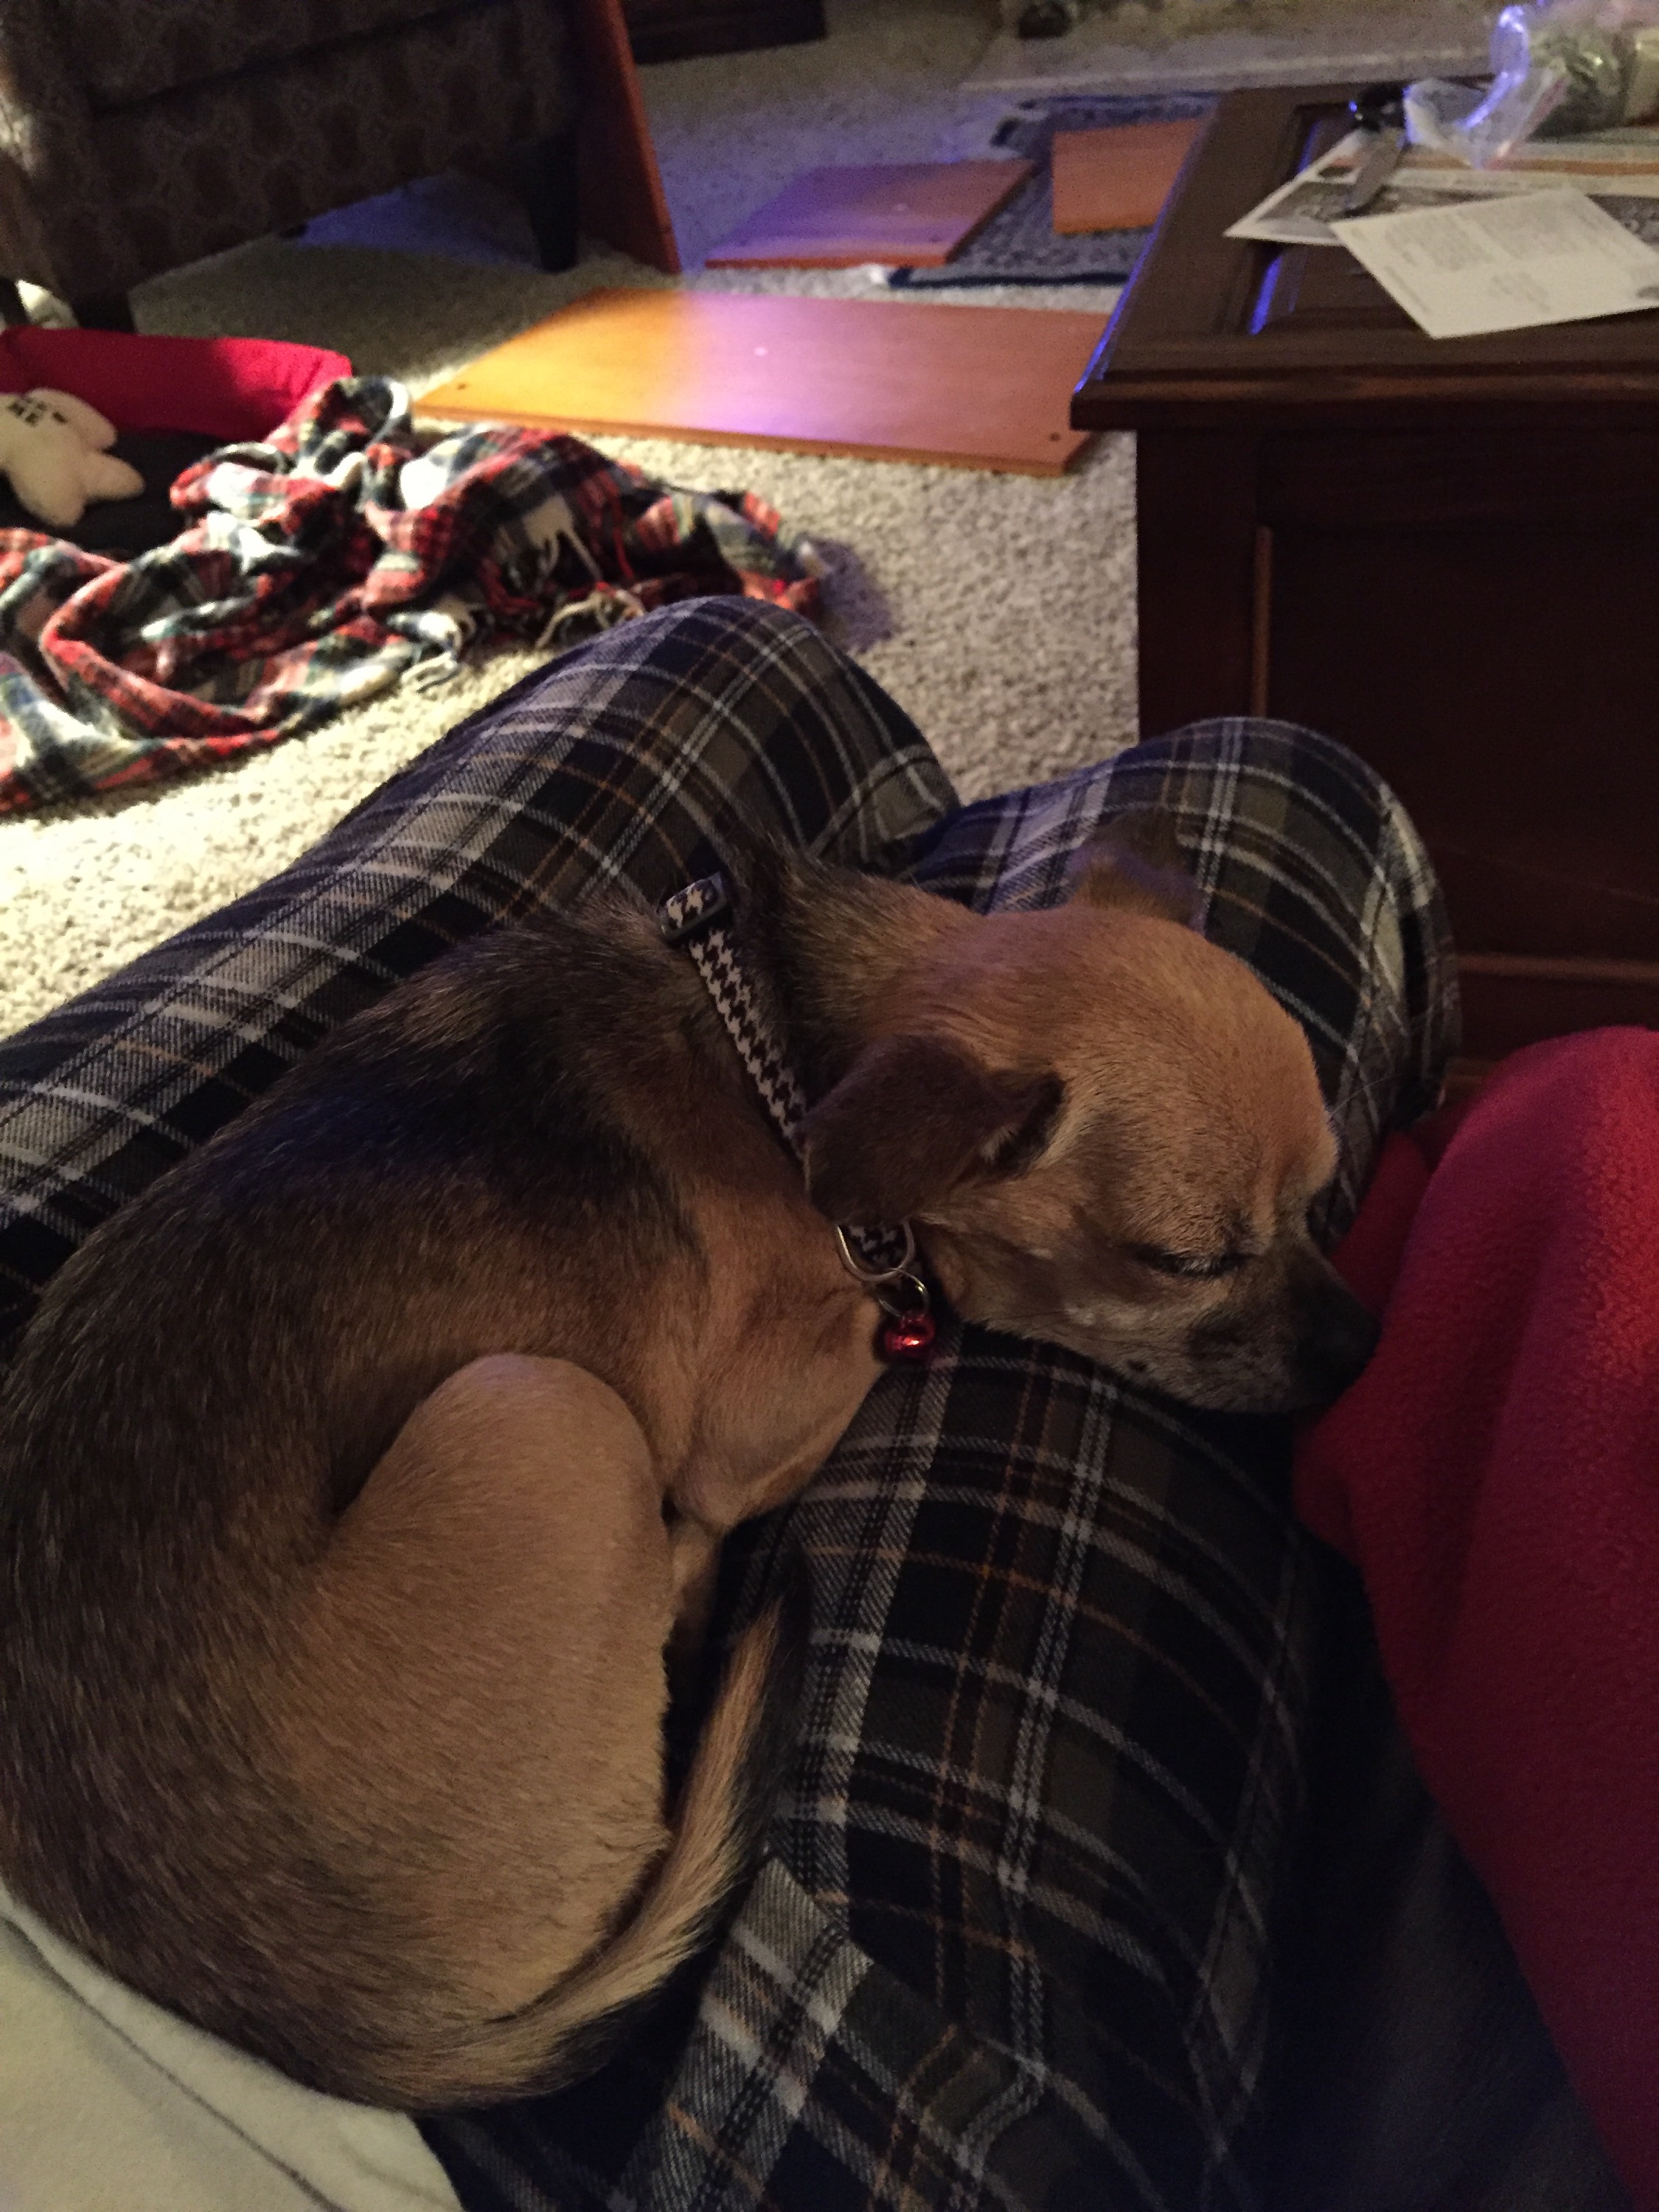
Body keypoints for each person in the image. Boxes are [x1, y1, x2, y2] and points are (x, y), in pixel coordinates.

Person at [0, 599, 1455, 2212]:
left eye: (1293, 1216)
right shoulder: (875, 1141)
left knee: (719, 640)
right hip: (335, 1871)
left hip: (123, 1730)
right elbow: (737, 1450)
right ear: (954, 1147)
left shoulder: (754, 1028)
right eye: (1198, 1261)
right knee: (540, 1426)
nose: (1301, 1308)